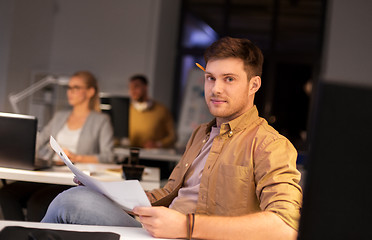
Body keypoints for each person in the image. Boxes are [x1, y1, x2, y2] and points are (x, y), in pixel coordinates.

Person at [42, 37, 302, 240]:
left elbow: (286, 226)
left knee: (70, 203)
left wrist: (187, 225)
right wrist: (111, 195)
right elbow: (169, 193)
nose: (216, 88)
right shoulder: (202, 133)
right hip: (163, 229)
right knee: (79, 197)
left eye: (229, 79)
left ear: (254, 85)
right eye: (211, 78)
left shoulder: (270, 144)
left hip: (186, 234)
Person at [0, 71, 114, 221]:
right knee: (6, 194)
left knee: (37, 203)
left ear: (90, 92)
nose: (70, 92)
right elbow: (38, 141)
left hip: (72, 180)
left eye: (76, 87)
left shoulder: (101, 120)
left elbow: (109, 156)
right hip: (49, 172)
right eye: (69, 87)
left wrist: (76, 157)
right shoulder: (60, 116)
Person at [128, 74, 176, 148]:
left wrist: (158, 144)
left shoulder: (162, 110)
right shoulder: (127, 110)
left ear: (145, 87)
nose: (133, 91)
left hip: (153, 155)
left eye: (136, 87)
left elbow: (172, 136)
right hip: (129, 152)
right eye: (130, 88)